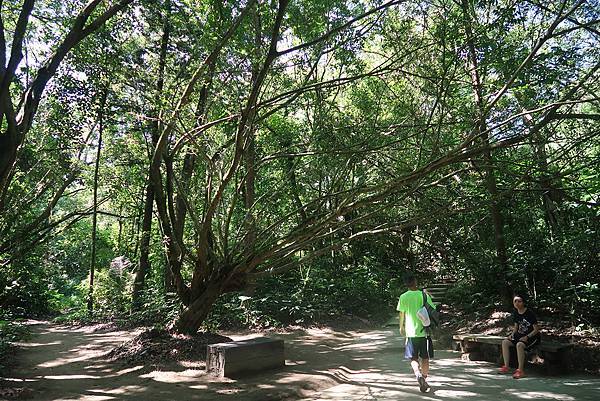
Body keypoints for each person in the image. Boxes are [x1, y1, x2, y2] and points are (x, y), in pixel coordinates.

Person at [397, 272, 436, 393]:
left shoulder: (403, 297)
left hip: (410, 333)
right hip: (424, 332)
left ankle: (418, 374)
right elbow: (433, 310)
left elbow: (401, 313)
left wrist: (401, 327)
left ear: (406, 284)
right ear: (415, 282)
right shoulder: (423, 295)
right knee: (425, 357)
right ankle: (424, 377)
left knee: (413, 358)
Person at [498, 294, 541, 379]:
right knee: (505, 342)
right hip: (520, 335)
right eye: (515, 301)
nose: (517, 303)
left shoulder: (529, 313)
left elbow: (536, 329)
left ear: (523, 302)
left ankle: (520, 370)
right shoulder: (516, 312)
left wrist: (527, 337)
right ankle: (506, 366)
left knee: (519, 345)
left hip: (532, 337)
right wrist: (511, 335)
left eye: (519, 301)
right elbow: (516, 327)